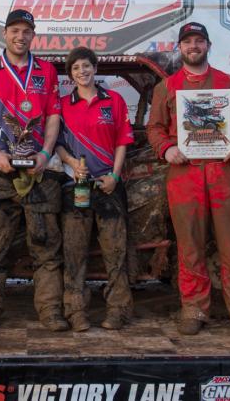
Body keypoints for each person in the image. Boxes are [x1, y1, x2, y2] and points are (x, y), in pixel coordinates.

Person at [146, 22, 230, 335]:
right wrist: (166, 148)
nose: (193, 46)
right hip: (185, 174)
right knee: (190, 247)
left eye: (199, 41)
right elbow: (155, 128)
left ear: (208, 45)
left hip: (224, 172)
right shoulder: (166, 88)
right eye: (188, 42)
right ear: (181, 48)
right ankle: (194, 309)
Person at [0, 9, 69, 332]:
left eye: (26, 31)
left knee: (46, 244)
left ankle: (51, 311)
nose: (20, 36)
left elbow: (53, 116)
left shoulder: (48, 72)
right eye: (15, 30)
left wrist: (45, 153)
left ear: (33, 35)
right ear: (4, 33)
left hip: (40, 171)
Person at [55, 47, 134, 331]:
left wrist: (114, 175)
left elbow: (123, 141)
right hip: (75, 186)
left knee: (116, 251)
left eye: (86, 66)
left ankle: (118, 310)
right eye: (76, 68)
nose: (82, 72)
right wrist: (72, 163)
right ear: (70, 75)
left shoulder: (113, 100)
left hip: (109, 186)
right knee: (74, 252)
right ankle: (75, 311)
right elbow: (57, 144)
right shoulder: (63, 104)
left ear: (95, 68)